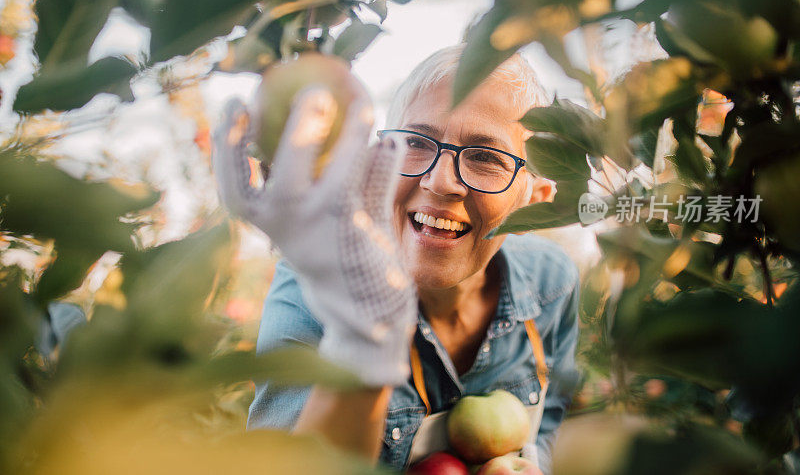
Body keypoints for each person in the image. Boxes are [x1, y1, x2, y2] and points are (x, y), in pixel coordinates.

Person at [212, 45, 580, 474]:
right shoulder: (315, 291)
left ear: (534, 201)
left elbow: (549, 420)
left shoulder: (552, 282)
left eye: (486, 158)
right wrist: (364, 338)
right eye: (418, 143)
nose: (440, 182)